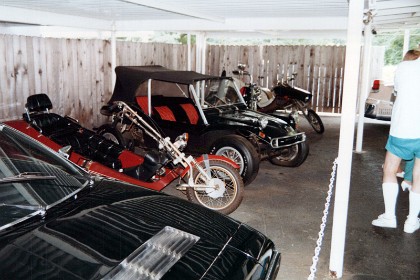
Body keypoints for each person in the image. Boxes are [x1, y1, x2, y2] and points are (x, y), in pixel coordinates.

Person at [372, 49, 420, 233]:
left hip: (403, 128)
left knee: (390, 170)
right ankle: (411, 222)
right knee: (418, 176)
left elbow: (399, 92)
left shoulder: (403, 67)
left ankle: (390, 217)